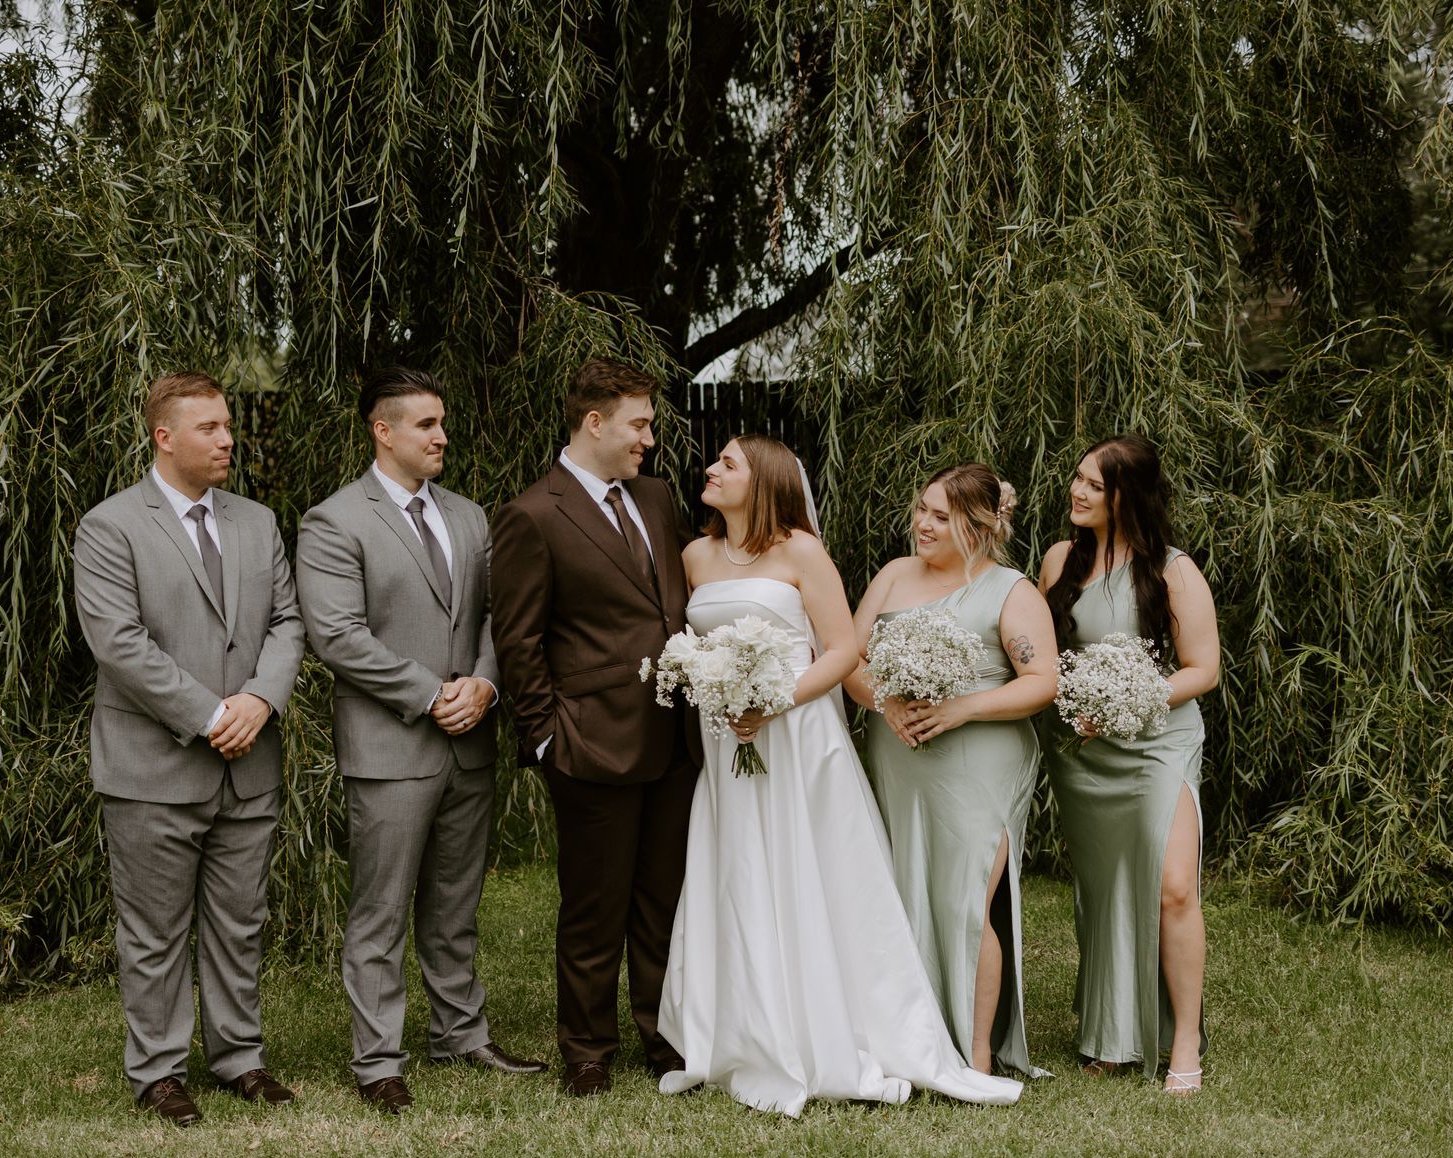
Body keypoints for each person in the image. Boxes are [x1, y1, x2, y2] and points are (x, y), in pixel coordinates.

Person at [655, 435, 1023, 1115]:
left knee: (808, 869)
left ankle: (829, 1026)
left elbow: (844, 647)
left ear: (762, 480)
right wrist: (717, 691)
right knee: (737, 870)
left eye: (728, 463)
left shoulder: (800, 550)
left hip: (796, 735)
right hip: (728, 739)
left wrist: (777, 701)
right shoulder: (695, 556)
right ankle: (743, 1029)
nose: (711, 470)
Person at [298, 368, 548, 1116]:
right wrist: (428, 694)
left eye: (443, 423)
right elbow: (337, 635)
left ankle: (460, 1034)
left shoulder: (471, 517)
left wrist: (484, 684)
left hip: (470, 739)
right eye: (427, 425)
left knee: (455, 903)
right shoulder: (334, 521)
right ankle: (377, 1059)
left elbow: (499, 618)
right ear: (384, 430)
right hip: (391, 746)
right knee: (380, 909)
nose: (442, 437)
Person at [72, 371, 305, 1126]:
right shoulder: (109, 528)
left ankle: (240, 1058)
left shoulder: (258, 521)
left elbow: (287, 624)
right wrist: (211, 715)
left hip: (250, 762)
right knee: (155, 929)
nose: (228, 439)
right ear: (163, 437)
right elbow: (119, 645)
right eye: (209, 428)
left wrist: (260, 700)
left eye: (229, 425)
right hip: (154, 767)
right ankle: (159, 1072)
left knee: (241, 920)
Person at [489, 357, 701, 1098]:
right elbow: (518, 640)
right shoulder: (533, 514)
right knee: (593, 906)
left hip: (675, 736)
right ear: (595, 423)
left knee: (662, 898)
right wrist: (547, 738)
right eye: (639, 423)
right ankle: (586, 1049)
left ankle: (664, 1034)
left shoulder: (657, 496)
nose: (649, 437)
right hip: (589, 741)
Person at [847, 464, 1057, 1078]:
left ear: (983, 525)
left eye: (942, 516)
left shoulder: (1010, 590)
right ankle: (907, 1042)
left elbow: (1043, 681)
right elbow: (849, 657)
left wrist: (961, 708)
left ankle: (976, 1056)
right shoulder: (891, 577)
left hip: (980, 760)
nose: (923, 524)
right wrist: (883, 704)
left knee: (965, 899)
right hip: (899, 753)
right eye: (922, 510)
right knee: (903, 889)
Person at [1039, 434, 1219, 1092]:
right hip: (1087, 753)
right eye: (1076, 479)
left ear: (1126, 496)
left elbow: (1203, 669)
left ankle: (1185, 1045)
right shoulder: (1061, 559)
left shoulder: (1172, 568)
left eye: (1092, 483)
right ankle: (1112, 1035)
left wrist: (1127, 702)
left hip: (1159, 743)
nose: (1076, 491)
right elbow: (1040, 656)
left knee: (1174, 887)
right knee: (1107, 894)